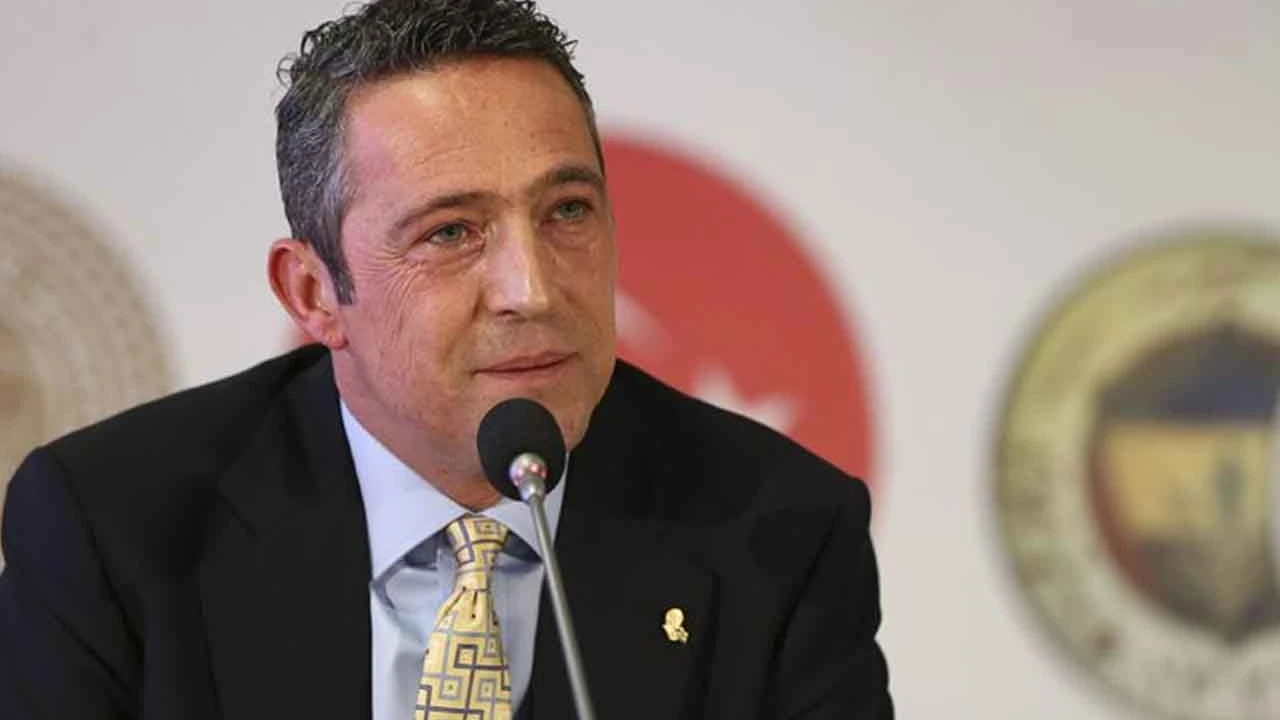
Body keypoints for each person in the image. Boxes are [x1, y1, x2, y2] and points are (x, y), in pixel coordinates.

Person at [0, 0, 892, 717]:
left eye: (567, 212)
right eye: (452, 232)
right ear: (314, 294)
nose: (531, 290)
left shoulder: (779, 533)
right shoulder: (114, 529)